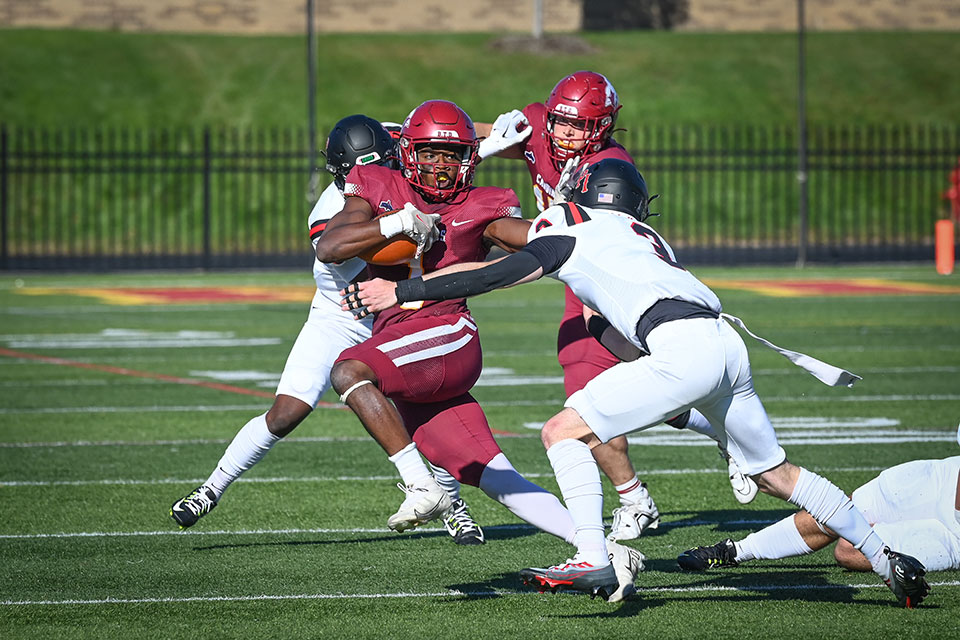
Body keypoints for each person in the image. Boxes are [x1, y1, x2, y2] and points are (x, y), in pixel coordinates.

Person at [341, 158, 932, 608]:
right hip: (724, 344)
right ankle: (889, 562)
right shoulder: (647, 242)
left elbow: (501, 273)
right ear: (634, 206)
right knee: (775, 473)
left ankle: (593, 557)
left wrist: (405, 290)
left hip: (683, 347)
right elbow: (618, 330)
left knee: (562, 431)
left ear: (587, 201)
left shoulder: (575, 233)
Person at [316, 100, 645, 602]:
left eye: (453, 155)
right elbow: (330, 245)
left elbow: (532, 238)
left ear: (470, 157)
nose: (442, 165)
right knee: (489, 474)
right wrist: (396, 223)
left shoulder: (484, 204)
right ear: (407, 151)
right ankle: (599, 550)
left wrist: (571, 222)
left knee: (350, 371)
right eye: (431, 153)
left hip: (445, 333)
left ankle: (421, 487)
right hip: (401, 337)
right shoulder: (380, 185)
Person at [168, 114, 485, 545]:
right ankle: (212, 488)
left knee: (426, 412)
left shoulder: (396, 166)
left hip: (401, 312)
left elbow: (440, 134)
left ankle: (454, 506)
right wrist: (394, 223)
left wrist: (495, 138)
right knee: (286, 412)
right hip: (340, 316)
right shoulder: (334, 206)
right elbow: (332, 250)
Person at [476, 71, 757, 541]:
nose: (565, 133)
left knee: (650, 384)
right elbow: (461, 138)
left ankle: (725, 437)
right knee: (588, 401)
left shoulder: (608, 164)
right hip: (577, 284)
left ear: (604, 126)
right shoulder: (540, 124)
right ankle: (636, 497)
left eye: (579, 125)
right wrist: (471, 138)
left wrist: (493, 222)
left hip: (618, 285)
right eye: (560, 122)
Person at [678, 456, 960, 578]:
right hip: (942, 479)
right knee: (843, 511)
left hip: (954, 531)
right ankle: (737, 551)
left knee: (849, 551)